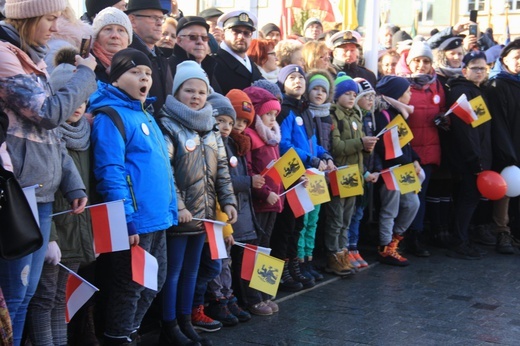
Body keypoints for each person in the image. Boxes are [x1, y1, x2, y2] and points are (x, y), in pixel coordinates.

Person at [0, 1, 97, 343]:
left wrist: (72, 183)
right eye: (50, 18)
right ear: (27, 18)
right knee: (14, 295)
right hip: (17, 191)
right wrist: (85, 74)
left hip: (39, 189)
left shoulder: (31, 56)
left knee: (25, 295)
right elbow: (47, 114)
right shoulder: (4, 55)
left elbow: (50, 137)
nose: (55, 28)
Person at [89, 48, 176, 345]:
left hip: (157, 218)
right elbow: (110, 170)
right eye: (135, 72)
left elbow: (161, 167)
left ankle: (129, 331)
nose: (144, 78)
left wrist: (171, 207)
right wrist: (125, 219)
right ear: (116, 77)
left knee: (155, 281)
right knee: (130, 286)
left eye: (148, 73)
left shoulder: (145, 113)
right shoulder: (110, 116)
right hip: (134, 222)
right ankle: (118, 336)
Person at [156, 60, 237, 345]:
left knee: (192, 271)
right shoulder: (167, 125)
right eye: (189, 90)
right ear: (177, 93)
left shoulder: (211, 127)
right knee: (174, 272)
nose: (195, 96)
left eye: (201, 92)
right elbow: (166, 172)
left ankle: (186, 320)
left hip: (204, 215)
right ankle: (170, 324)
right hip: (182, 215)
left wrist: (228, 202)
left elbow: (223, 170)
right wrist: (179, 206)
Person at [26, 57, 96, 346]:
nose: (78, 104)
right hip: (53, 230)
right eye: (71, 96)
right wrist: (50, 236)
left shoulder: (86, 133)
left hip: (77, 232)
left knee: (59, 297)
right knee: (43, 299)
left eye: (83, 98)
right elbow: (39, 189)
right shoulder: (46, 133)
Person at [272, 65, 334, 290]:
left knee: (299, 225)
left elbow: (313, 141)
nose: (297, 81)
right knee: (286, 226)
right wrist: (311, 159)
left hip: (306, 177)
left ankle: (294, 268)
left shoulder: (305, 110)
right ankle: (281, 272)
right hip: (290, 176)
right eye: (291, 77)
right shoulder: (285, 109)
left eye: (300, 77)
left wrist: (323, 154)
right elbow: (283, 144)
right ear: (283, 82)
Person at [223, 89, 275, 316]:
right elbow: (221, 180)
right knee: (235, 258)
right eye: (237, 120)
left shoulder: (240, 144)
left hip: (245, 209)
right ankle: (245, 299)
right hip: (233, 211)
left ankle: (255, 296)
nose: (240, 125)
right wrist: (249, 182)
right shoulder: (227, 144)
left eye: (245, 121)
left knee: (250, 253)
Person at [205, 92, 252, 326]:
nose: (226, 126)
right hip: (212, 216)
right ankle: (217, 299)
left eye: (230, 123)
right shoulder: (211, 146)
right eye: (221, 120)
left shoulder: (227, 145)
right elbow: (217, 186)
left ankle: (227, 295)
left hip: (224, 216)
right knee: (217, 260)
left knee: (226, 260)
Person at [395, 40, 444, 258]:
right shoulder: (400, 83)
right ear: (409, 60)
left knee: (420, 196)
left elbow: (442, 108)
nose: (421, 65)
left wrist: (444, 120)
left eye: (426, 61)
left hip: (430, 150)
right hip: (407, 151)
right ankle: (399, 238)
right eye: (417, 60)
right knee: (406, 198)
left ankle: (416, 236)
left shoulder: (437, 84)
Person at [325, 73, 377, 275]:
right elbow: (336, 147)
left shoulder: (356, 115)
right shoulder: (333, 115)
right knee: (336, 217)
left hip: (354, 175)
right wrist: (360, 144)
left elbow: (359, 146)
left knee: (347, 217)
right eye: (346, 93)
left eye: (353, 94)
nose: (351, 97)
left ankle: (343, 252)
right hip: (340, 173)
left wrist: (366, 148)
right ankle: (333, 254)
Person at [444, 51, 492, 259]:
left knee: (470, 199)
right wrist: (476, 160)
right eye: (475, 68)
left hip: (477, 156)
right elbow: (466, 131)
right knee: (467, 199)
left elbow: (481, 126)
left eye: (483, 68)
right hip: (468, 159)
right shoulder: (462, 92)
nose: (479, 72)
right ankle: (460, 241)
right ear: (464, 71)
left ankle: (464, 237)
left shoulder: (476, 90)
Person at [374, 76, 421, 266]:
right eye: (407, 91)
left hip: (403, 168)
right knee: (390, 209)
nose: (410, 94)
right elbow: (387, 149)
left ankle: (396, 238)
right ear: (398, 94)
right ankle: (385, 246)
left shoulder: (399, 113)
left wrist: (415, 159)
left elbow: (406, 143)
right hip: (390, 170)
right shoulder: (383, 114)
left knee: (412, 204)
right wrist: (408, 161)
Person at [297, 69, 335, 280]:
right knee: (303, 222)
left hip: (318, 174)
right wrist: (314, 158)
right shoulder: (304, 114)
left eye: (323, 90)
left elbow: (319, 145)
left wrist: (326, 156)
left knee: (313, 220)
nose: (319, 93)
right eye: (315, 89)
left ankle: (308, 259)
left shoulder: (321, 115)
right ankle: (300, 261)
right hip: (306, 173)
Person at [486, 39, 520, 254]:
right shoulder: (497, 84)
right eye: (517, 57)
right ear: (504, 58)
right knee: (506, 191)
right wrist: (508, 152)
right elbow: (497, 121)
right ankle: (502, 232)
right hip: (506, 147)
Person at [346, 77, 379, 268]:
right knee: (348, 215)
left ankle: (353, 247)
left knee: (358, 213)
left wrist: (374, 169)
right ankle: (346, 249)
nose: (370, 100)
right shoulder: (356, 119)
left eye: (373, 97)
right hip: (355, 173)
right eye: (366, 96)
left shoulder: (368, 117)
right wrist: (365, 171)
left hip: (365, 174)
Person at [126, 0, 172, 116]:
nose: (159, 23)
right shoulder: (127, 56)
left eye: (161, 18)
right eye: (153, 17)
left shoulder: (161, 56)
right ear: (132, 20)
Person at [213, 10, 263, 94]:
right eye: (235, 31)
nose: (241, 37)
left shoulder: (251, 63)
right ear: (223, 35)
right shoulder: (214, 63)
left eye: (246, 33)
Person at [168, 16, 221, 93]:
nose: (200, 41)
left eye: (204, 38)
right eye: (193, 37)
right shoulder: (170, 68)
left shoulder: (209, 66)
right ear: (179, 40)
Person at [91, 6, 133, 82]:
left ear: (128, 38)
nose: (115, 36)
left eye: (121, 30)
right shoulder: (86, 66)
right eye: (108, 29)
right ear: (96, 36)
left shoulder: (137, 66)